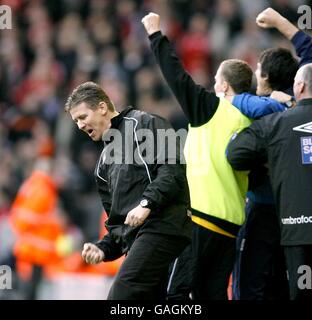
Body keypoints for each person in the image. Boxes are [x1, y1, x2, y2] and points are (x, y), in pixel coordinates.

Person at [142, 12, 254, 300]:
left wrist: (156, 35)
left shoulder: (212, 108)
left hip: (201, 221)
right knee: (212, 295)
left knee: (177, 295)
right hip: (230, 229)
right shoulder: (252, 121)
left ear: (225, 87)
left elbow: (176, 76)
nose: (213, 85)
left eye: (216, 80)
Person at [64, 81, 192, 300]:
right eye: (75, 121)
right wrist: (103, 249)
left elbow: (173, 170)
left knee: (121, 295)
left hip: (165, 227)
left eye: (83, 117)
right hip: (140, 242)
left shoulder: (145, 124)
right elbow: (117, 225)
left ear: (102, 108)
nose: (79, 126)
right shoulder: (102, 167)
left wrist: (146, 204)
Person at [230, 7, 312, 300]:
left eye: (257, 70)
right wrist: (281, 23)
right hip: (296, 213)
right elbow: (309, 53)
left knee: (251, 286)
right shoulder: (290, 103)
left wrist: (233, 96)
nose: (254, 74)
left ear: (265, 77)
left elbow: (234, 154)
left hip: (264, 209)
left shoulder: (254, 111)